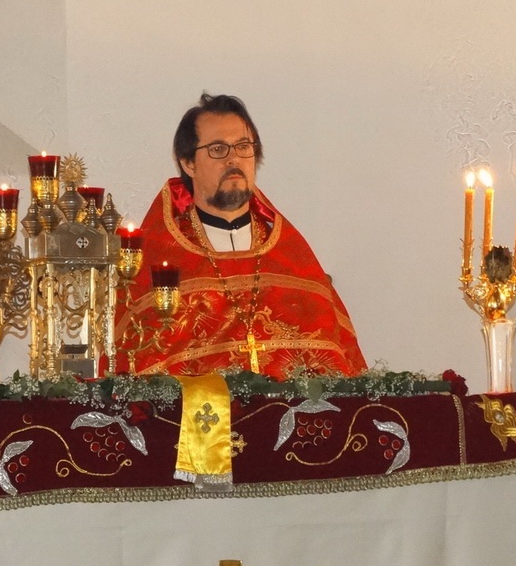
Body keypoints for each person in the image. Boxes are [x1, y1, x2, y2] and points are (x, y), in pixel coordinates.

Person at [116, 93, 367, 378]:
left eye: (244, 146)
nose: (233, 158)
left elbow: (335, 364)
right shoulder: (162, 259)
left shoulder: (291, 258)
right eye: (218, 149)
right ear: (188, 163)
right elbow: (140, 368)